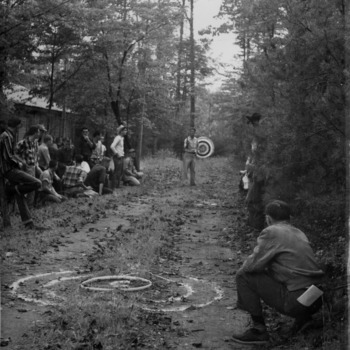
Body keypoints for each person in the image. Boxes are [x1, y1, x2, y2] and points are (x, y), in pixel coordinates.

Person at [232, 200, 324, 345]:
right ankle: (305, 319)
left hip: (296, 301)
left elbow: (251, 266)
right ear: (289, 218)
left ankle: (259, 330)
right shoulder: (298, 232)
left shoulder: (272, 231)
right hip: (316, 298)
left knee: (243, 275)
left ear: (268, 218)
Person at [0, 118, 43, 230]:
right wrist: (19, 163)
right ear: (17, 126)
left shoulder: (9, 136)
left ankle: (28, 223)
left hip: (11, 169)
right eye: (20, 126)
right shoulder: (6, 136)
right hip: (8, 170)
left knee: (19, 192)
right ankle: (10, 189)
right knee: (37, 183)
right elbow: (8, 156)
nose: (20, 128)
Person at [15, 125, 42, 207]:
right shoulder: (22, 143)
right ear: (35, 133)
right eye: (38, 131)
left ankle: (30, 205)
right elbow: (14, 154)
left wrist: (37, 165)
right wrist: (22, 162)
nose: (39, 133)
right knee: (29, 186)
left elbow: (36, 154)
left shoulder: (35, 142)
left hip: (33, 167)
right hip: (26, 167)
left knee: (35, 186)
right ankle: (24, 206)